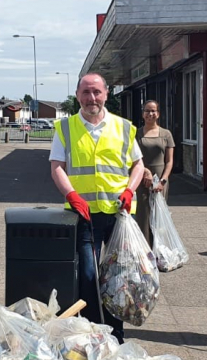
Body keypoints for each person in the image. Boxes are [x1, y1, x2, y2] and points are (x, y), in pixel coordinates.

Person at [49, 73, 145, 342]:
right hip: (84, 215)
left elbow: (138, 165)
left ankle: (116, 332)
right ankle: (93, 331)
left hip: (118, 215)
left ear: (106, 94)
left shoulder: (124, 127)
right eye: (86, 92)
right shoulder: (66, 128)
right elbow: (57, 166)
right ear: (78, 95)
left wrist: (130, 189)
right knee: (89, 274)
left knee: (118, 277)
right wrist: (71, 194)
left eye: (97, 92)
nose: (92, 98)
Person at [134, 99, 175, 246]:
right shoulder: (136, 133)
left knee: (159, 215)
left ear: (158, 114)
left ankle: (160, 251)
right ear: (142, 113)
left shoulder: (166, 134)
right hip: (142, 178)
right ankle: (145, 251)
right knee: (143, 215)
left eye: (153, 111)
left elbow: (169, 161)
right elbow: (132, 158)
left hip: (160, 181)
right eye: (147, 110)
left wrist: (162, 181)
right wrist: (145, 171)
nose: (150, 113)